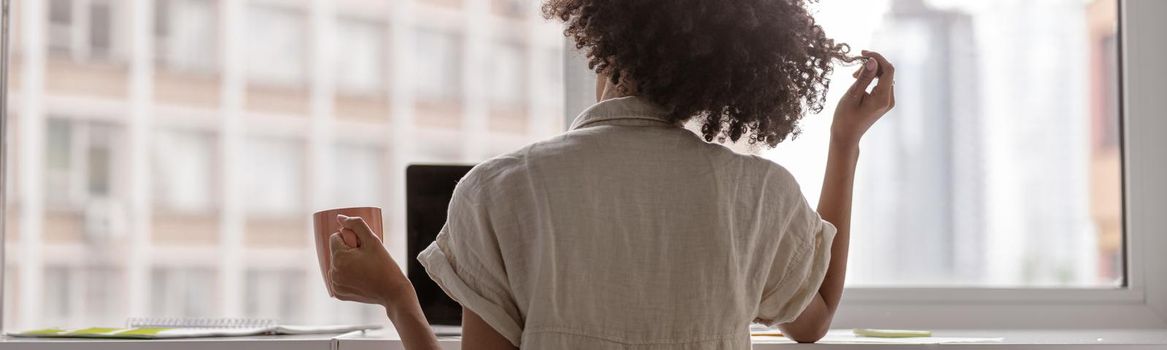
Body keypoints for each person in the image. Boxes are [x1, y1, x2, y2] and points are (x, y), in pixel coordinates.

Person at [326, 0, 895, 348]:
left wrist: (398, 298)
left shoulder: (498, 189)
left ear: (599, 38)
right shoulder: (761, 192)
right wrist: (844, 143)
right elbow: (814, 318)